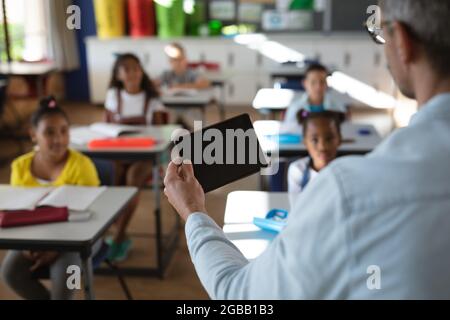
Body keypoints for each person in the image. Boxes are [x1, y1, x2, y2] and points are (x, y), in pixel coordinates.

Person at [163, 0, 450, 299]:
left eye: (380, 31)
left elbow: (241, 295)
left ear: (401, 42)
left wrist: (193, 210)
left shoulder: (349, 192)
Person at [1, 97, 100, 300]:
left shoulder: (82, 166)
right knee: (10, 274)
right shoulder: (20, 167)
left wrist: (57, 248)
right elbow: (17, 213)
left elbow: (95, 217)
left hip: (80, 241)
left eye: (64, 131)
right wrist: (27, 246)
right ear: (33, 135)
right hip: (34, 239)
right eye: (49, 132)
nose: (58, 139)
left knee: (66, 278)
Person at [104, 53, 168, 262]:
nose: (132, 73)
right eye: (127, 69)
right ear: (118, 74)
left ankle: (119, 235)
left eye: (136, 68)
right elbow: (107, 128)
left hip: (146, 155)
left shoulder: (152, 98)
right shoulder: (114, 95)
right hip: (120, 153)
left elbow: (160, 132)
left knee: (132, 179)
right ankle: (114, 229)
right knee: (112, 174)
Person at [287, 110, 343, 206]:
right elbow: (296, 209)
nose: (323, 147)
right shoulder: (298, 170)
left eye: (329, 139)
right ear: (305, 142)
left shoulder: (347, 171)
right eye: (314, 140)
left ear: (339, 139)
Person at [284, 63, 348, 125]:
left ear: (327, 83)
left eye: (322, 81)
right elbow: (289, 132)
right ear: (305, 83)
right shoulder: (295, 108)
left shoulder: (337, 108)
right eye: (313, 82)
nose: (318, 86)